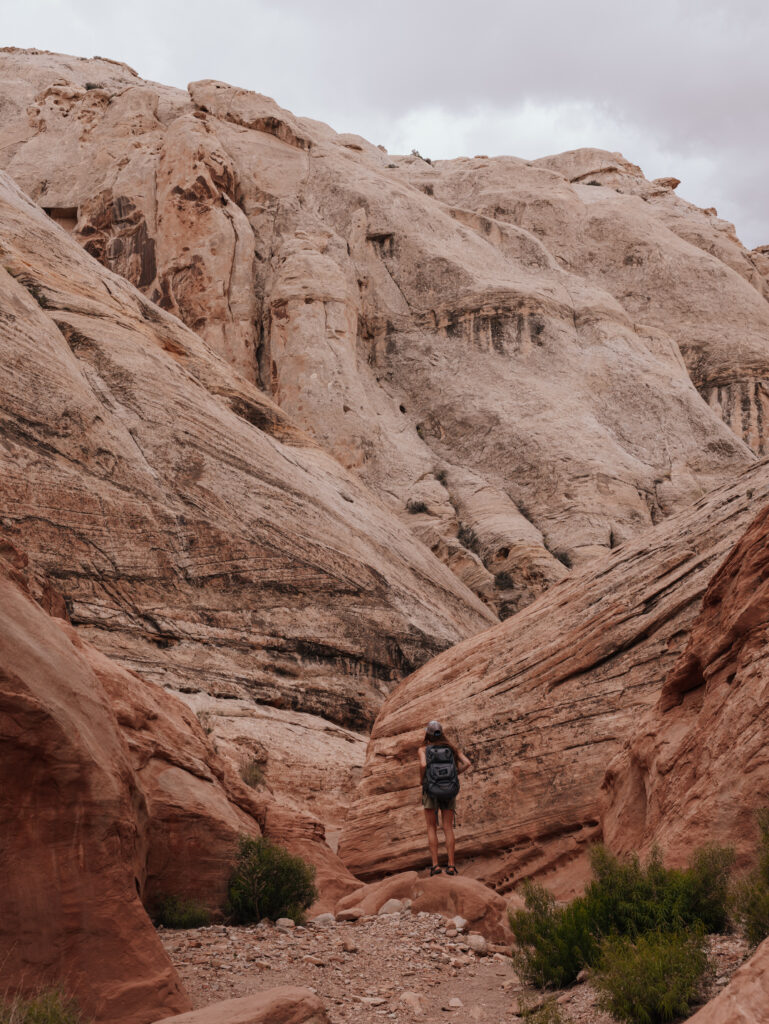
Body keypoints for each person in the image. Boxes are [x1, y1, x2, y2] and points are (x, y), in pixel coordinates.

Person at [419, 720, 471, 875]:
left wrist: (422, 780)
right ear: (441, 733)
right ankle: (451, 865)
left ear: (427, 733)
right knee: (448, 827)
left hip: (431, 789)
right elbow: (467, 763)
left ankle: (435, 866)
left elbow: (423, 765)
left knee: (431, 827)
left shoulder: (423, 749)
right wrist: (455, 774)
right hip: (449, 789)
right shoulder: (451, 748)